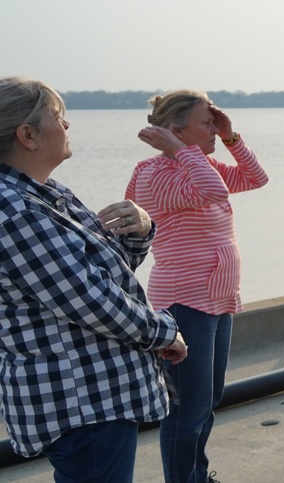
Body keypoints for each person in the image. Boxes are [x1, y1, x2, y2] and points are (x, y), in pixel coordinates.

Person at [0, 76, 187, 482]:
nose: (66, 126)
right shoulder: (15, 212)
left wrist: (140, 231)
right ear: (28, 135)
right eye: (58, 117)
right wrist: (163, 332)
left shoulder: (44, 194)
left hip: (94, 396)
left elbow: (106, 275)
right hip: (80, 400)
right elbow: (89, 299)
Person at [126, 90, 268, 483]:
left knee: (207, 403)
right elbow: (213, 191)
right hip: (184, 303)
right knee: (187, 410)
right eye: (207, 123)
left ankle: (197, 476)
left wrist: (230, 136)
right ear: (175, 131)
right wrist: (178, 151)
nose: (213, 130)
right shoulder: (156, 175)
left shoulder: (200, 165)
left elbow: (256, 178)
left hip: (218, 300)